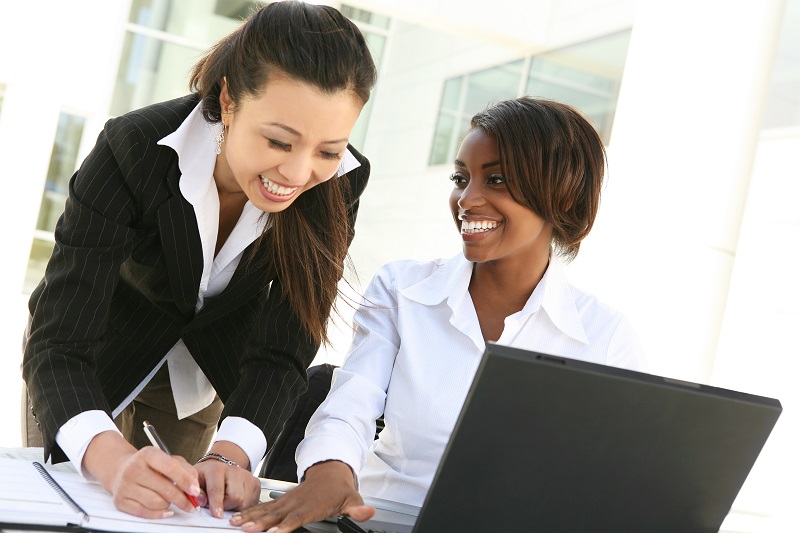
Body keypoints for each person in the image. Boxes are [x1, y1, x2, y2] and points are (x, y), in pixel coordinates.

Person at [21, 0, 376, 521]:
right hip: (94, 356)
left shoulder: (342, 181)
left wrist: (230, 455)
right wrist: (113, 462)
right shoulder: (132, 147)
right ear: (229, 100)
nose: (300, 173)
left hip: (205, 373)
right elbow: (59, 339)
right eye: (279, 141)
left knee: (184, 513)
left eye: (328, 149)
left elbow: (286, 344)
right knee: (75, 508)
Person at [229, 97, 648, 532]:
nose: (468, 199)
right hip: (381, 523)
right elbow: (350, 406)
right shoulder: (403, 290)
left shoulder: (604, 336)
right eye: (461, 178)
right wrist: (330, 470)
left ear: (561, 195)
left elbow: (627, 483)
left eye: (497, 179)